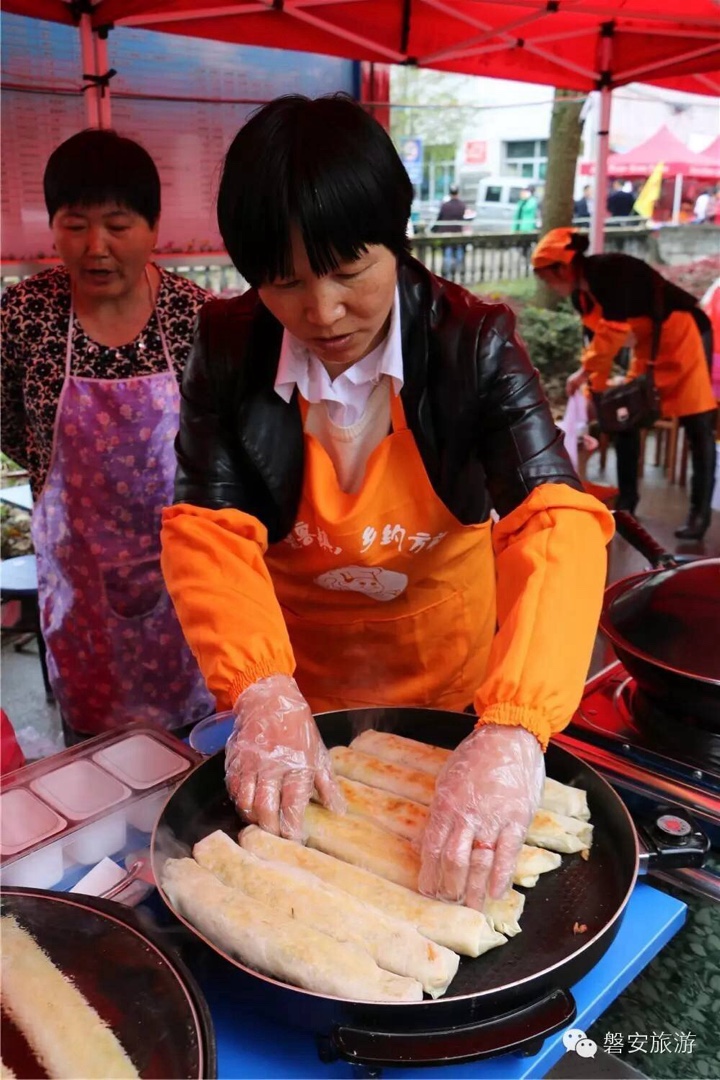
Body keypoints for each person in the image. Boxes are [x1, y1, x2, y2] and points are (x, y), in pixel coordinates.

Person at [160, 94, 613, 912]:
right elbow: (208, 532)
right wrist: (260, 688)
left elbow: (556, 521)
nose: (321, 311)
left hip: (451, 690)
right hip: (303, 693)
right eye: (284, 281)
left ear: (396, 241)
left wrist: (512, 727)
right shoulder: (227, 347)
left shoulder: (473, 342)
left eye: (348, 270)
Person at [1, 129, 215, 742]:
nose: (97, 247)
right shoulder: (25, 316)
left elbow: (224, 440)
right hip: (81, 581)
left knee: (196, 742)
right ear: (53, 226)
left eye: (118, 226)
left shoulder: (194, 315)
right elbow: (10, 423)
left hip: (185, 574)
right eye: (75, 225)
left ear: (153, 227)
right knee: (95, 747)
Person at [532, 228, 717, 540]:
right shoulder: (582, 296)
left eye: (546, 277)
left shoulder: (608, 271)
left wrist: (584, 374)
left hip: (680, 338)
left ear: (562, 267)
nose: (548, 286)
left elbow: (612, 335)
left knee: (698, 426)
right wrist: (598, 393)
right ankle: (627, 505)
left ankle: (699, 516)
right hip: (647, 348)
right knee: (623, 418)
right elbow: (596, 342)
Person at [431, 184, 467, 278]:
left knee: (447, 254)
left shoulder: (445, 206)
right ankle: (459, 273)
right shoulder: (462, 206)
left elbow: (439, 219)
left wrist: (433, 230)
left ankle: (447, 274)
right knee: (459, 253)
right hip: (458, 234)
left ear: (450, 193)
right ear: (458, 193)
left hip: (446, 234)